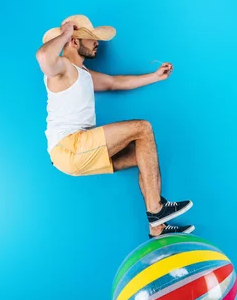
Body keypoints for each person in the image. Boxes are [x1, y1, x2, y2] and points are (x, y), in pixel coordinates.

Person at [36, 15, 194, 238]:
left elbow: (114, 82)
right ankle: (157, 210)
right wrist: (64, 34)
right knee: (143, 127)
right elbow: (43, 56)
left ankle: (157, 228)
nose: (97, 43)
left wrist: (155, 77)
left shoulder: (85, 75)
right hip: (69, 146)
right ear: (74, 41)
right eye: (91, 39)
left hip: (78, 152)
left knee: (143, 153)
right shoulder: (62, 68)